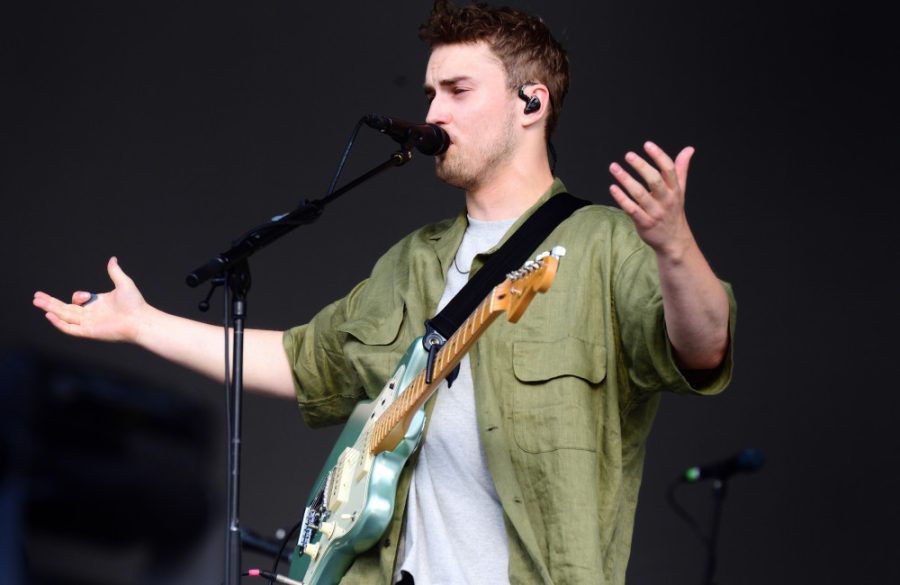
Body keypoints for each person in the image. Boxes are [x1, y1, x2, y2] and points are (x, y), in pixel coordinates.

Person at [32, 2, 735, 584]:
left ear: (531, 103)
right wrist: (142, 324)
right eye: (430, 91)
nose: (433, 110)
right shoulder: (414, 260)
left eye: (457, 91)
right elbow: (307, 363)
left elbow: (704, 347)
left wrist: (675, 247)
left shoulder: (603, 243)